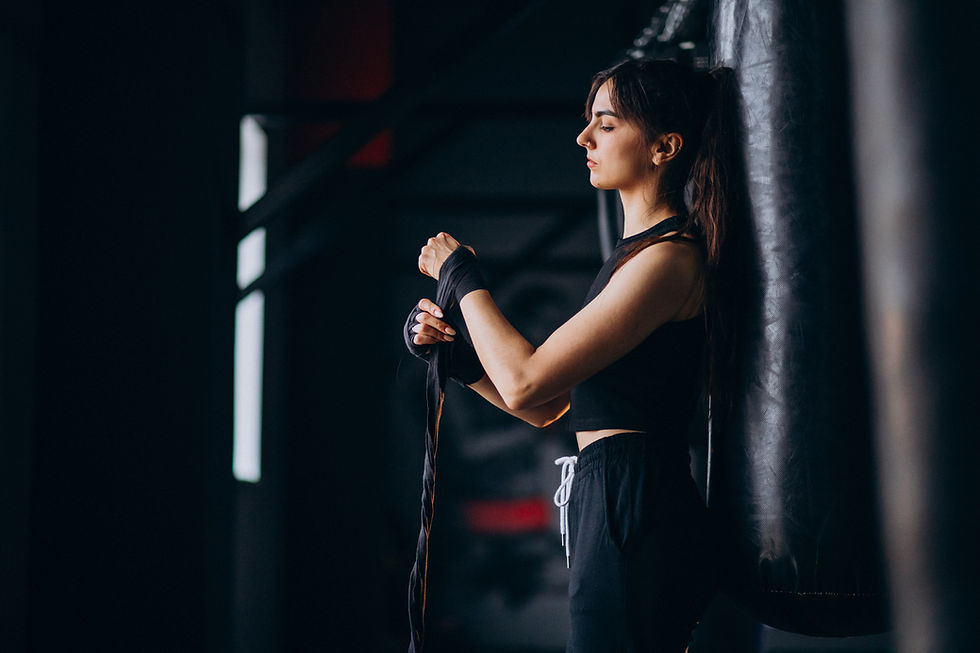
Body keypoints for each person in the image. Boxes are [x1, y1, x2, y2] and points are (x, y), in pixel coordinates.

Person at [405, 57, 740, 652]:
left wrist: (460, 275)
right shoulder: (633, 259)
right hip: (608, 488)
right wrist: (455, 360)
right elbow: (544, 406)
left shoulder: (668, 260)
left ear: (664, 146)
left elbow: (527, 382)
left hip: (634, 490)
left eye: (606, 125)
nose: (584, 137)